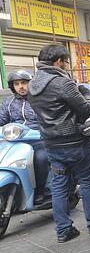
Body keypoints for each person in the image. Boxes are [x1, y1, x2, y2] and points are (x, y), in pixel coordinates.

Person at [28, 44, 90, 243]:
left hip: (51, 144)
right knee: (87, 181)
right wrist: (86, 95)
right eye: (66, 61)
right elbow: (85, 111)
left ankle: (63, 230)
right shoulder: (62, 83)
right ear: (58, 61)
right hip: (73, 142)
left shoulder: (33, 84)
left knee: (59, 186)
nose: (67, 65)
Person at [0, 70, 50, 203]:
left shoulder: (40, 99)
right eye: (16, 84)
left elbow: (49, 119)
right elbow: (1, 120)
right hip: (14, 141)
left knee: (40, 159)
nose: (20, 86)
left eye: (23, 83)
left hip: (38, 139)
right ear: (12, 86)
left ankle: (41, 191)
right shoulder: (8, 102)